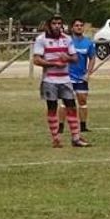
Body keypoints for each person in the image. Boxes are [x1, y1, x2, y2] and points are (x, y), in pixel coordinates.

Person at [32, 16, 88, 148]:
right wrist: (53, 63)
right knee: (52, 108)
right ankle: (56, 138)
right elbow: (36, 60)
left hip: (65, 79)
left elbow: (75, 58)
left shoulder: (67, 39)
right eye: (54, 23)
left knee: (71, 107)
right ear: (48, 25)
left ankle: (76, 138)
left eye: (59, 23)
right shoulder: (41, 39)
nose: (57, 26)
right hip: (49, 80)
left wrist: (67, 58)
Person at [66, 18, 98, 133]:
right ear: (72, 28)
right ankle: (60, 127)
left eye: (81, 25)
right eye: (76, 25)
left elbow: (93, 58)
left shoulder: (88, 42)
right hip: (67, 77)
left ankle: (83, 126)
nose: (79, 27)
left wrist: (88, 73)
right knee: (65, 103)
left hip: (81, 77)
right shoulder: (67, 41)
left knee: (83, 102)